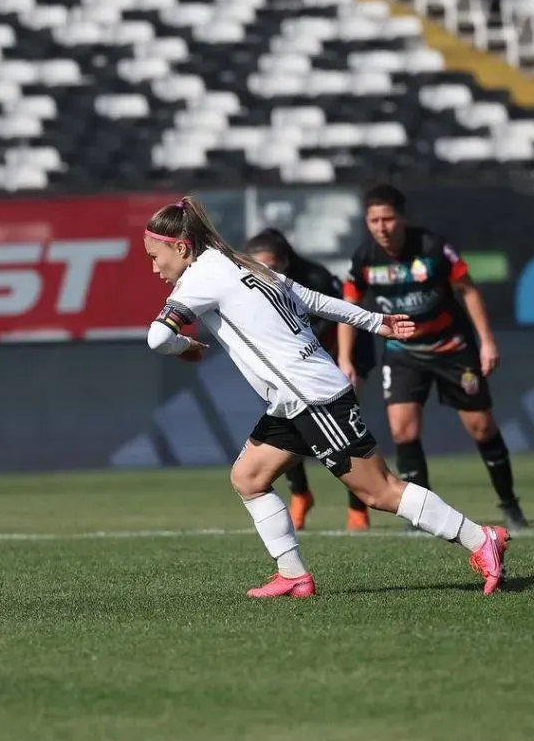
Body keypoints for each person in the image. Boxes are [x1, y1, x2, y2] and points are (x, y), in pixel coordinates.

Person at [143, 195, 510, 599]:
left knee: (380, 491)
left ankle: (480, 539)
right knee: (249, 478)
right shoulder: (244, 262)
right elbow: (313, 300)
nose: (154, 267)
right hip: (295, 397)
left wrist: (186, 346)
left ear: (180, 247)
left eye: (154, 255)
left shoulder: (200, 278)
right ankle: (293, 575)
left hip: (311, 397)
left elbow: (157, 337)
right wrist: (375, 321)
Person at [336, 184, 527, 532]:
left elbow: (468, 290)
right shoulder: (365, 258)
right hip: (403, 352)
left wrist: (486, 342)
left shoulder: (432, 247)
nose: (381, 227)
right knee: (402, 430)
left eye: (388, 218)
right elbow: (348, 308)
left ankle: (509, 504)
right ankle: (421, 516)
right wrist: (345, 359)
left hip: (452, 348)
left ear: (402, 218)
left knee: (481, 427)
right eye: (373, 220)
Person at [245, 228, 376, 532]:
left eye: (272, 266)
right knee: (290, 427)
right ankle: (301, 495)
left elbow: (338, 314)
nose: (265, 273)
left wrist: (344, 361)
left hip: (343, 354)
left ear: (286, 262)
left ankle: (358, 506)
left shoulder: (315, 278)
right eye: (257, 267)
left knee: (345, 432)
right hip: (296, 366)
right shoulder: (252, 288)